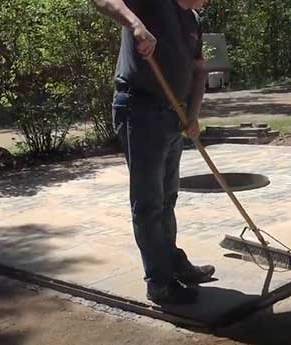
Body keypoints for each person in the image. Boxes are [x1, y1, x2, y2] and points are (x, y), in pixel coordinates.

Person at [92, 0, 214, 305]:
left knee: (167, 198)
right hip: (140, 110)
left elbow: (199, 70)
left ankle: (172, 263)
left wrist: (194, 115)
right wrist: (135, 24)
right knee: (148, 203)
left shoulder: (193, 20)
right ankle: (159, 282)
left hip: (173, 114)